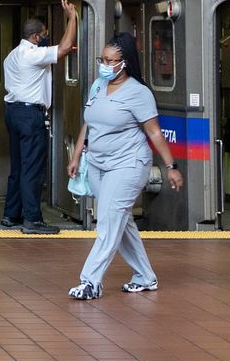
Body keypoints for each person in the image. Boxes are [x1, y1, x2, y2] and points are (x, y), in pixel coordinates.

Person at [65, 33, 184, 300]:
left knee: (108, 221)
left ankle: (90, 281)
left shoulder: (138, 93)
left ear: (125, 62)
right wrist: (77, 155)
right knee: (122, 221)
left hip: (128, 165)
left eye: (110, 60)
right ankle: (145, 276)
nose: (104, 64)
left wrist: (171, 166)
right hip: (97, 164)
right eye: (102, 59)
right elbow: (89, 122)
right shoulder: (98, 85)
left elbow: (154, 133)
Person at [2, 1, 79, 234]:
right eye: (45, 35)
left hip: (13, 112)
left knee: (17, 167)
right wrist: (72, 18)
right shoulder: (32, 54)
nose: (46, 38)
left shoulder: (12, 55)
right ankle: (32, 220)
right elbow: (65, 47)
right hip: (30, 115)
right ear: (35, 37)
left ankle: (10, 215)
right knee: (32, 168)